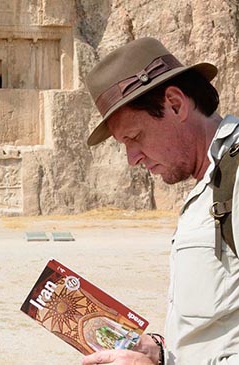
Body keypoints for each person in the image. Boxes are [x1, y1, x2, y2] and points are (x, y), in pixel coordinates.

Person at [81, 37, 239, 365]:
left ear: (176, 104)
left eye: (135, 137)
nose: (132, 158)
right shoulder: (212, 185)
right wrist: (160, 354)